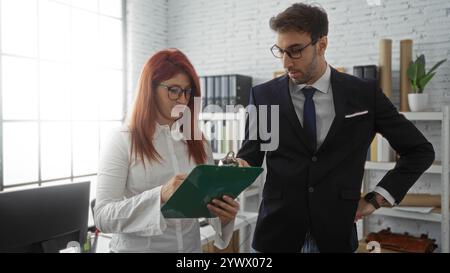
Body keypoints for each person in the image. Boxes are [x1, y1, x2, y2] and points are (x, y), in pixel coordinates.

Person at [236, 3, 435, 252]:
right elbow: (250, 157)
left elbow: (419, 150)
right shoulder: (264, 96)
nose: (286, 62)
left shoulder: (364, 95)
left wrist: (377, 198)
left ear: (322, 44)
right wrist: (228, 173)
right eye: (281, 51)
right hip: (275, 236)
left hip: (335, 236)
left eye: (295, 51)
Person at [94, 48, 239, 253]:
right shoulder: (122, 139)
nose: (182, 100)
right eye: (174, 90)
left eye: (188, 92)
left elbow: (207, 205)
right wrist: (160, 195)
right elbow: (102, 216)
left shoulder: (197, 141)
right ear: (150, 89)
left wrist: (224, 216)